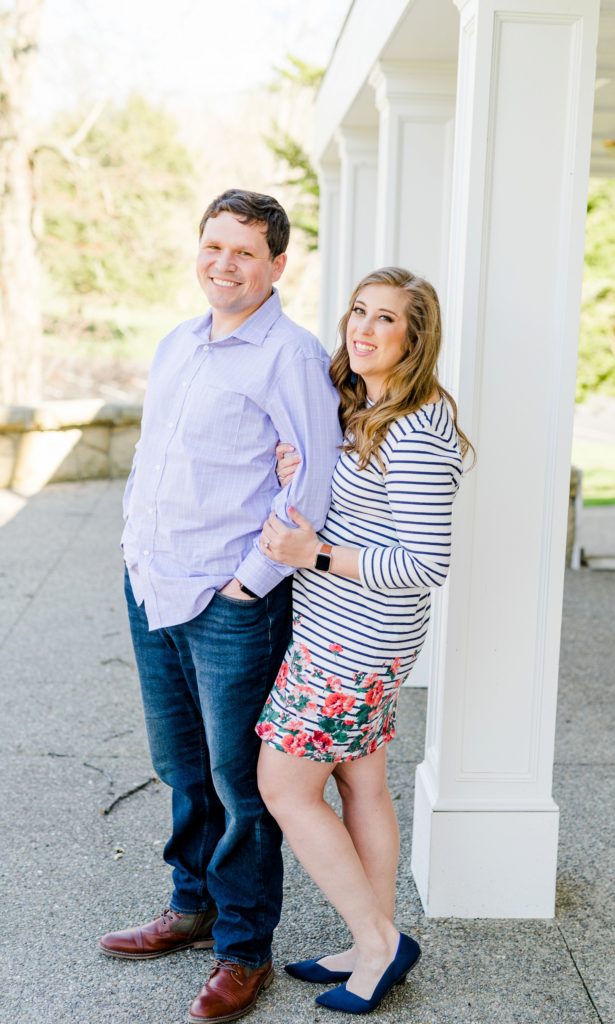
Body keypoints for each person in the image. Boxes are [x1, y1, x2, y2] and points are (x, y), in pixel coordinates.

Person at [98, 189, 341, 1024]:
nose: (224, 264)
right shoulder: (178, 342)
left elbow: (311, 482)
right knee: (180, 765)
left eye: (244, 251)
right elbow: (155, 456)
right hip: (151, 584)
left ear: (277, 265)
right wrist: (131, 548)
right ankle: (190, 906)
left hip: (226, 601)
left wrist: (248, 585)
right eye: (214, 246)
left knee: (240, 783)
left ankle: (243, 948)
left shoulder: (292, 356)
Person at [255, 266, 472, 1015]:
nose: (364, 328)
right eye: (358, 311)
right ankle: (374, 938)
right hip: (353, 637)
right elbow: (358, 502)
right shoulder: (368, 407)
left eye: (386, 318)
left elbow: (424, 564)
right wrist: (300, 466)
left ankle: (375, 943)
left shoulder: (414, 428)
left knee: (284, 787)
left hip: (352, 646)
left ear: (415, 338)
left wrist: (312, 555)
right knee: (359, 782)